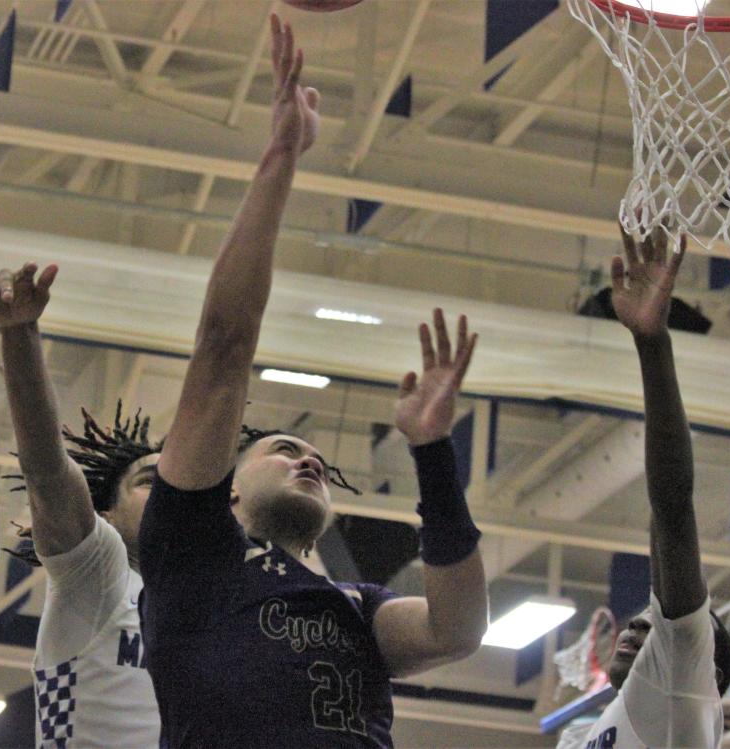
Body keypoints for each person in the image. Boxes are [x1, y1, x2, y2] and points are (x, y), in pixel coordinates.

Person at [137, 14, 488, 748]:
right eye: (281, 448)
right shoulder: (190, 554)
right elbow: (223, 349)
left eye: (309, 453)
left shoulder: (357, 607)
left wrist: (432, 453)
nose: (309, 458)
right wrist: (281, 156)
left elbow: (458, 629)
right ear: (227, 488)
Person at [0, 264, 162, 748]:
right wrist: (19, 332)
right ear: (106, 515)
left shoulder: (218, 608)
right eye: (151, 482)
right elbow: (48, 471)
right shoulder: (101, 573)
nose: (169, 495)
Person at [556, 225, 730, 749]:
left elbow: (674, 511)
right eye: (637, 623)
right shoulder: (584, 735)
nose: (635, 630)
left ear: (708, 673)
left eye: (652, 626)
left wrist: (652, 343)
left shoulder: (682, 680)